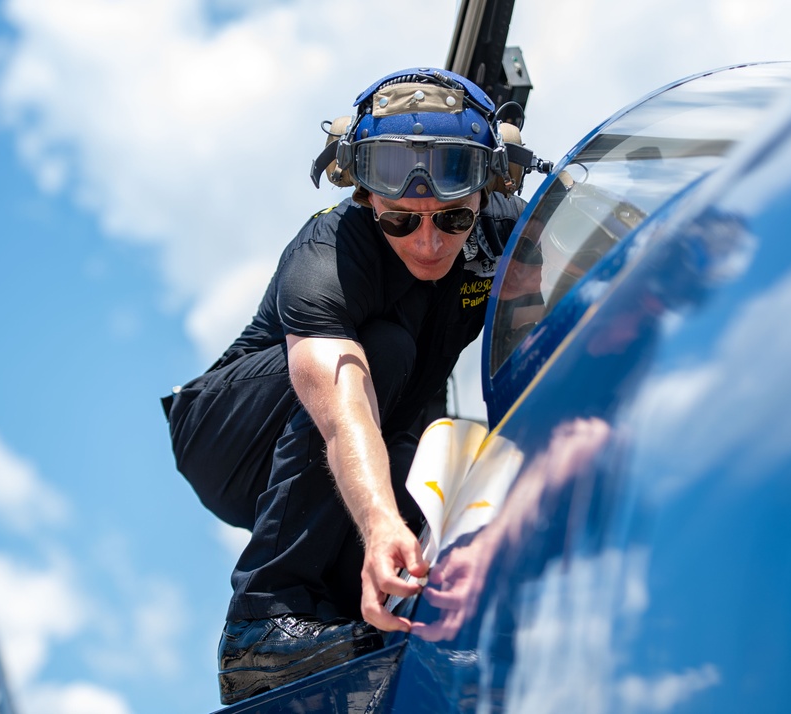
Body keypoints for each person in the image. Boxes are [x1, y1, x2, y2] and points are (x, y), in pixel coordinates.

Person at [163, 66, 544, 705]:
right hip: (230, 438)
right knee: (380, 359)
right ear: (369, 203)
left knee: (431, 458)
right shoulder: (329, 252)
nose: (428, 242)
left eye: (452, 220)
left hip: (371, 426)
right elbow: (339, 408)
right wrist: (377, 522)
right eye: (401, 222)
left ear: (485, 193)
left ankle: (346, 631)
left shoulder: (510, 232)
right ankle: (262, 623)